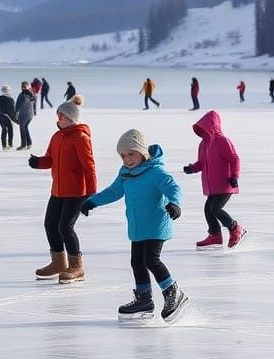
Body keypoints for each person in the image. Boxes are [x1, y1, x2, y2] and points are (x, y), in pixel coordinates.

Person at [81, 128, 187, 323]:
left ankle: (173, 292)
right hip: (137, 227)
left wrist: (175, 203)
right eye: (123, 156)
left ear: (142, 152)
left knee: (151, 260)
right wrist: (92, 201)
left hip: (156, 224)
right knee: (136, 261)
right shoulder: (125, 173)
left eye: (131, 154)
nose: (127, 159)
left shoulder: (155, 172)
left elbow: (173, 187)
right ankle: (144, 299)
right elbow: (113, 192)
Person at [29, 95, 97, 283]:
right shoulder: (57, 136)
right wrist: (38, 162)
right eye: (57, 115)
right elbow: (50, 160)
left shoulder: (81, 138)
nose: (58, 119)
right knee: (50, 225)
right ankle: (59, 262)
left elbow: (89, 167)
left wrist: (91, 196)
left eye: (61, 116)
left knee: (65, 227)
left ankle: (76, 266)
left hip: (77, 192)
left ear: (70, 118)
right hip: (58, 190)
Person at [183, 110, 245, 249]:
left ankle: (235, 228)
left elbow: (234, 159)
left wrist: (234, 176)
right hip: (212, 186)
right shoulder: (203, 144)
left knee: (215, 208)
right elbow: (201, 163)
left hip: (225, 183)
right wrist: (192, 168)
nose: (203, 131)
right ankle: (215, 235)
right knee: (208, 209)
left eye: (205, 127)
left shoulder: (222, 141)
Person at [0, 85, 17, 151]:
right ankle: (7, 145)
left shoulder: (8, 99)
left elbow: (13, 111)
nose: (5, 91)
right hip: (3, 117)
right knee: (7, 130)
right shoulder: (5, 98)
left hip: (6, 117)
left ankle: (7, 145)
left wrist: (15, 119)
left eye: (6, 90)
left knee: (7, 130)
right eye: (4, 90)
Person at [14, 80, 35, 151]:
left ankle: (23, 145)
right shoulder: (30, 93)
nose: (22, 87)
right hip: (30, 114)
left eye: (22, 86)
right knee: (25, 127)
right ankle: (29, 143)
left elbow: (19, 105)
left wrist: (16, 113)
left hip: (24, 115)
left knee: (22, 129)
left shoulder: (23, 95)